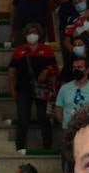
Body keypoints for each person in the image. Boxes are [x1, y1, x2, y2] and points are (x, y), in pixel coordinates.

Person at [8, 24, 57, 152]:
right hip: (23, 89)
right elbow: (12, 71)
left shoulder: (47, 50)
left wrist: (46, 72)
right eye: (30, 32)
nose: (32, 34)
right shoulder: (19, 51)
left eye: (35, 32)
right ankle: (20, 147)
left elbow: (55, 68)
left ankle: (47, 146)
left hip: (43, 89)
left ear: (39, 34)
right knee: (23, 119)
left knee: (44, 119)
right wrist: (12, 88)